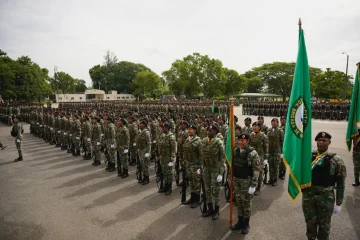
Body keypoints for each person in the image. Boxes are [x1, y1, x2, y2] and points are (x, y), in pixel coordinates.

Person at [302, 132, 346, 240]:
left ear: (329, 142)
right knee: (310, 223)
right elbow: (301, 174)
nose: (321, 143)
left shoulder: (336, 160)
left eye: (324, 140)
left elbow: (341, 182)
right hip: (309, 196)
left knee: (324, 225)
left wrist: (339, 203)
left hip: (326, 197)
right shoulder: (308, 156)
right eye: (319, 140)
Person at [230, 133, 261, 234]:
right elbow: (233, 166)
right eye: (239, 140)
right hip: (237, 180)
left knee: (246, 202)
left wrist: (253, 185)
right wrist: (230, 178)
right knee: (238, 201)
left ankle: (246, 224)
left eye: (242, 141)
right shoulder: (235, 151)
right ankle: (240, 222)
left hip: (246, 181)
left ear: (247, 141)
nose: (240, 142)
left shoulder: (253, 153)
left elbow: (257, 170)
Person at [200, 124, 225, 220]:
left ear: (215, 132)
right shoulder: (204, 141)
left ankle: (216, 210)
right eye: (208, 130)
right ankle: (210, 208)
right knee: (207, 189)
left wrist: (221, 173)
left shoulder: (219, 142)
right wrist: (202, 167)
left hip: (215, 169)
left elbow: (222, 158)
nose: (208, 132)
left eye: (211, 131)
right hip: (206, 168)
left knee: (216, 190)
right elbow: (203, 155)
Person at [182, 124, 202, 208]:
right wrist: (184, 160)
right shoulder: (188, 139)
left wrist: (201, 167)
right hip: (189, 164)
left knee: (196, 182)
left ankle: (197, 200)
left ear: (195, 130)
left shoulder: (198, 141)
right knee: (191, 181)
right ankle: (192, 197)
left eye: (190, 129)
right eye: (188, 129)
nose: (188, 131)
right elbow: (185, 151)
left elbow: (201, 155)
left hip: (196, 165)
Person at [157, 122, 176, 194]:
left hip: (168, 157)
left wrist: (172, 159)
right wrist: (159, 155)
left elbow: (173, 149)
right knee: (164, 171)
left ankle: (169, 188)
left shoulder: (171, 137)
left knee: (169, 172)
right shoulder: (162, 135)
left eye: (164, 127)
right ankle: (165, 186)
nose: (162, 129)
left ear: (167, 128)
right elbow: (160, 146)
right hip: (163, 156)